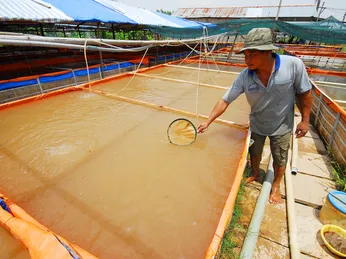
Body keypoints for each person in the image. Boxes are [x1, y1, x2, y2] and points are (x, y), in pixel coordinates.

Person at [197, 28, 312, 204]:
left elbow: (305, 92)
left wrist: (305, 121)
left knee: (280, 157)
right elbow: (226, 100)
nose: (246, 60)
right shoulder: (245, 76)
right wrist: (208, 121)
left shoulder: (293, 66)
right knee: (255, 153)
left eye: (252, 54)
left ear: (268, 52)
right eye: (245, 55)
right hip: (257, 123)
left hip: (282, 124)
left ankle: (276, 185)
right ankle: (256, 173)